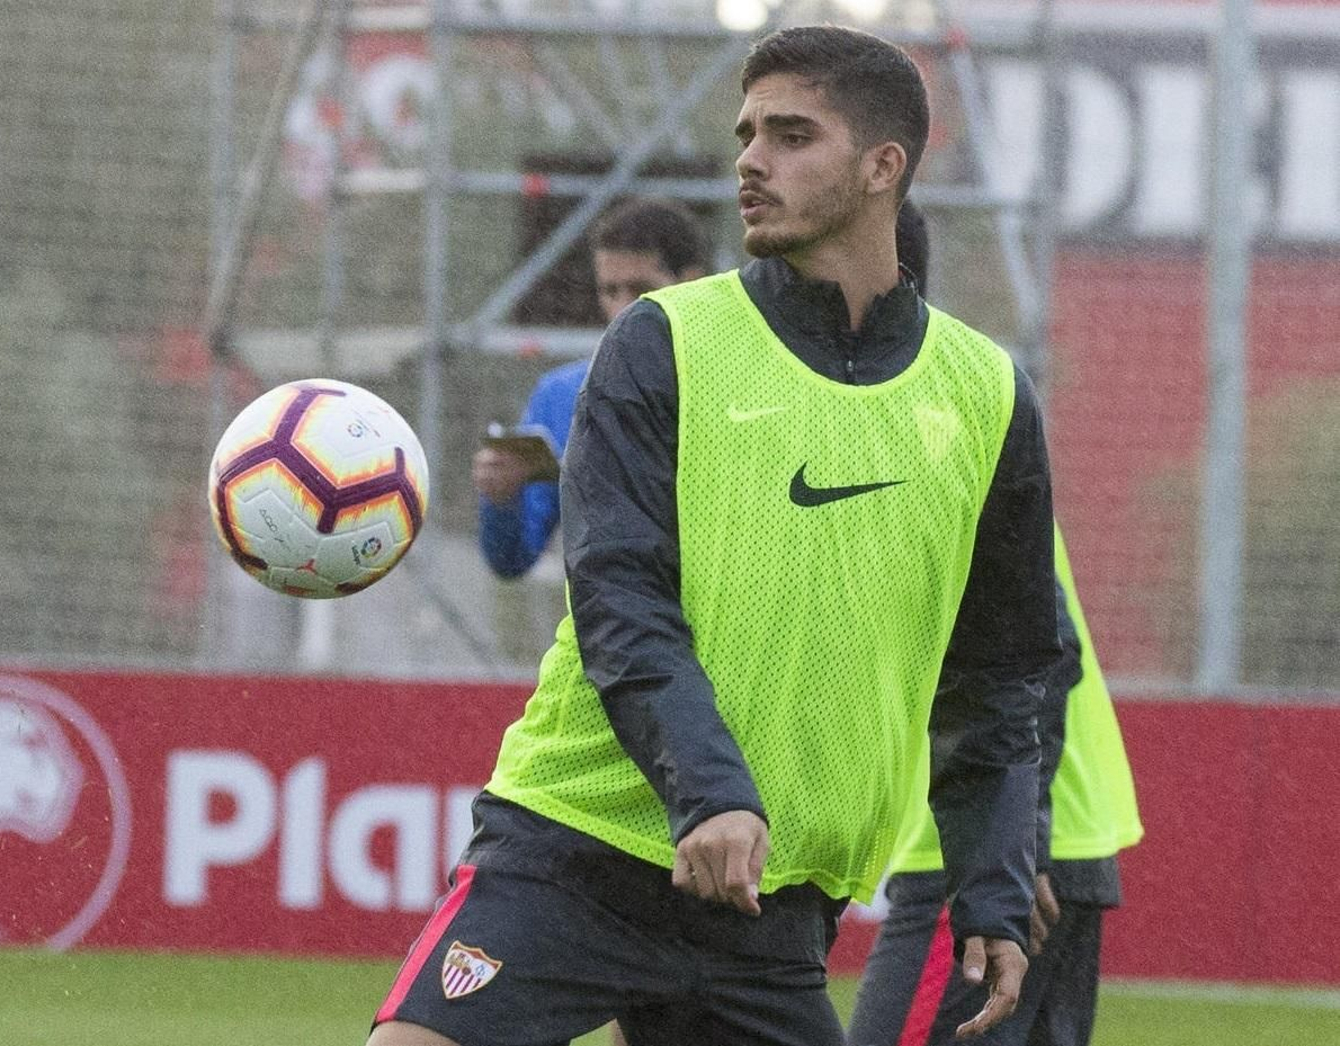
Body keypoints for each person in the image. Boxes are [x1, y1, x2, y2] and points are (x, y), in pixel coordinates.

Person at [370, 25, 1060, 1046]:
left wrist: (992, 887)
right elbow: (618, 596)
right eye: (745, 132)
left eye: (790, 135)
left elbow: (999, 675)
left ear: (884, 167)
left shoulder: (987, 393)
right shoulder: (660, 344)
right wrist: (711, 794)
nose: (749, 158)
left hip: (769, 899)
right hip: (581, 845)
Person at [847, 525, 1143, 1046]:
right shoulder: (985, 451)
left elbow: (1040, 649)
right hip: (1038, 835)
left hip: (984, 839)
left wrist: (1015, 844)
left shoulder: (933, 451)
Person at [473, 196, 711, 579]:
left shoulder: (742, 385)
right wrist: (502, 499)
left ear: (691, 282)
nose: (622, 308)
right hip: (607, 633)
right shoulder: (562, 394)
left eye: (640, 290)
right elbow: (512, 560)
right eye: (609, 290)